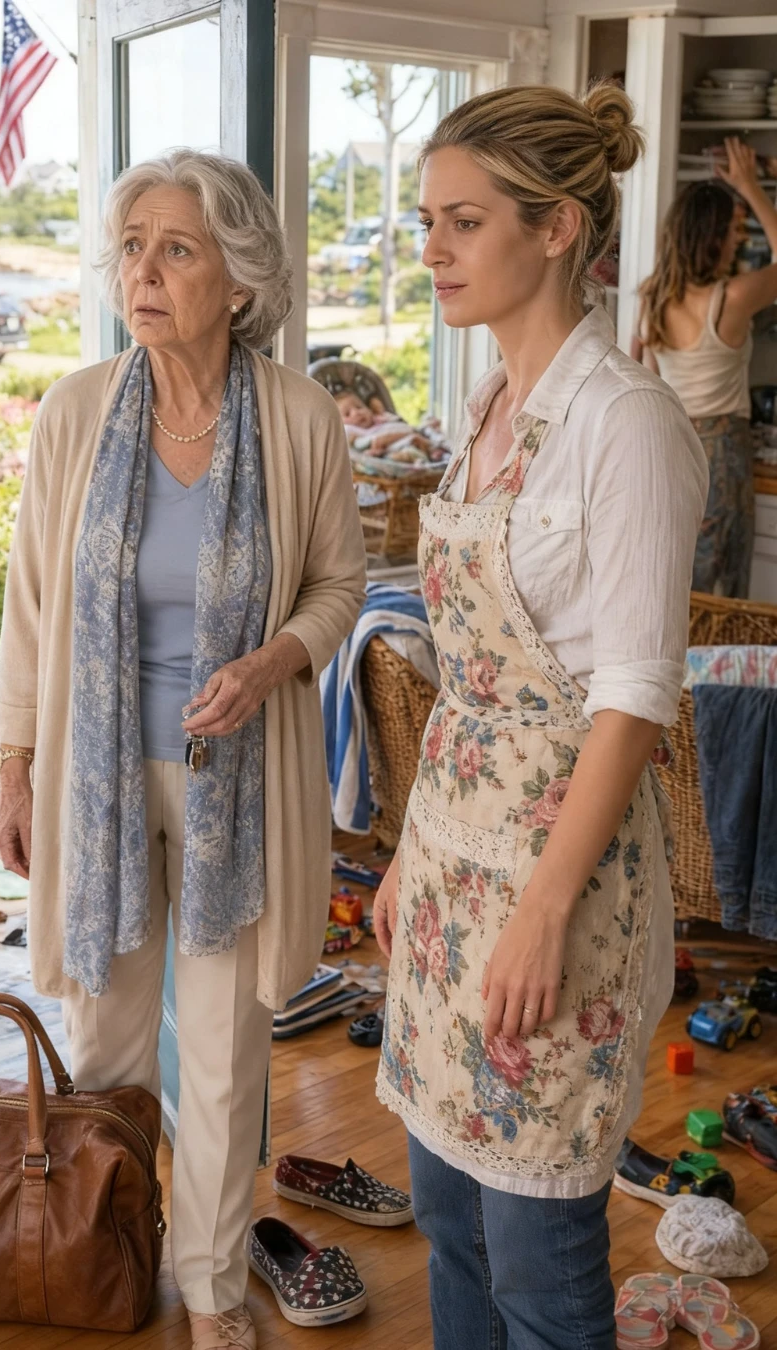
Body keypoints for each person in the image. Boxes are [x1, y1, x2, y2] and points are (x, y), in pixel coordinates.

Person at [0, 149, 365, 1350]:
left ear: (239, 279)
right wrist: (13, 765)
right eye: (131, 249)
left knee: (221, 1053)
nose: (141, 274)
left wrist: (271, 663)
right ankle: (105, 1263)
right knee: (106, 1048)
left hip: (235, 786)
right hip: (92, 780)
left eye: (176, 250)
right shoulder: (76, 412)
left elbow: (341, 587)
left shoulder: (299, 419)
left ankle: (210, 1288)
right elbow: (30, 608)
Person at [372, 82, 707, 1350]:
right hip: (450, 871)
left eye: (464, 222)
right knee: (447, 1222)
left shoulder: (628, 425)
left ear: (558, 228)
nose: (434, 250)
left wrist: (542, 912)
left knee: (534, 1256)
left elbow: (635, 696)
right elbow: (472, 680)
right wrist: (409, 855)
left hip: (558, 892)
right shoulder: (486, 410)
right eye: (427, 223)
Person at [636, 137, 777, 598]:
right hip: (723, 450)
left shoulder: (653, 297)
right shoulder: (729, 299)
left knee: (679, 575)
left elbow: (646, 382)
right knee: (724, 586)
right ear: (712, 236)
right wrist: (750, 186)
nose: (741, 238)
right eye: (734, 229)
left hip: (672, 444)